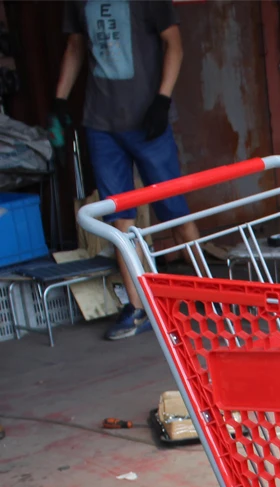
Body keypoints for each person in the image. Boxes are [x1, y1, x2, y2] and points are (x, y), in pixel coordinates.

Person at [51, 1, 198, 341]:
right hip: (101, 124)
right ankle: (137, 309)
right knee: (119, 218)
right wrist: (60, 99)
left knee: (174, 211)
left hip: (148, 121)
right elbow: (75, 46)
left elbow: (173, 43)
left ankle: (211, 297)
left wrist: (163, 99)